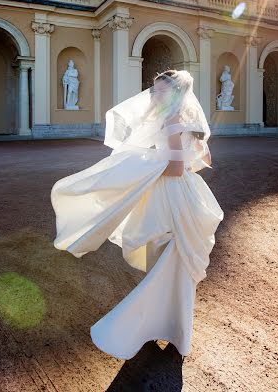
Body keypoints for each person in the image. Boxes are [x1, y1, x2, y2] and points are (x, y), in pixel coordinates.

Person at [51, 69, 224, 360]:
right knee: (173, 263)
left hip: (171, 196)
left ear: (173, 94)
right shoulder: (187, 121)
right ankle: (175, 330)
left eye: (159, 91)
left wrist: (142, 165)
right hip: (186, 194)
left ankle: (150, 325)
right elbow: (204, 159)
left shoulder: (171, 121)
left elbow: (176, 169)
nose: (153, 95)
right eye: (153, 90)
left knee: (170, 262)